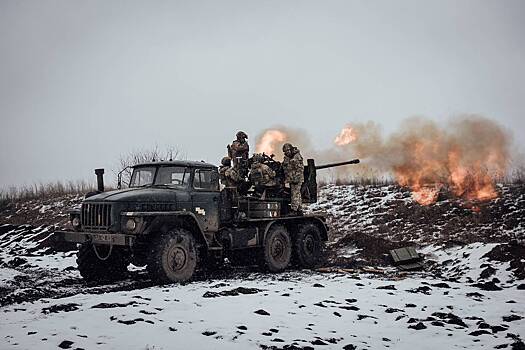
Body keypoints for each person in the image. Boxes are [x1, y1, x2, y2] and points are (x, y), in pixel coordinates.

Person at [282, 143, 304, 213]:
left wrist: (296, 179)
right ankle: (299, 209)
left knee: (295, 193)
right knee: (297, 194)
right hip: (290, 179)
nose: (286, 152)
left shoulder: (297, 157)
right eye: (285, 151)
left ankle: (294, 210)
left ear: (291, 149)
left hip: (296, 179)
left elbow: (300, 169)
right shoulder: (286, 158)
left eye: (288, 150)